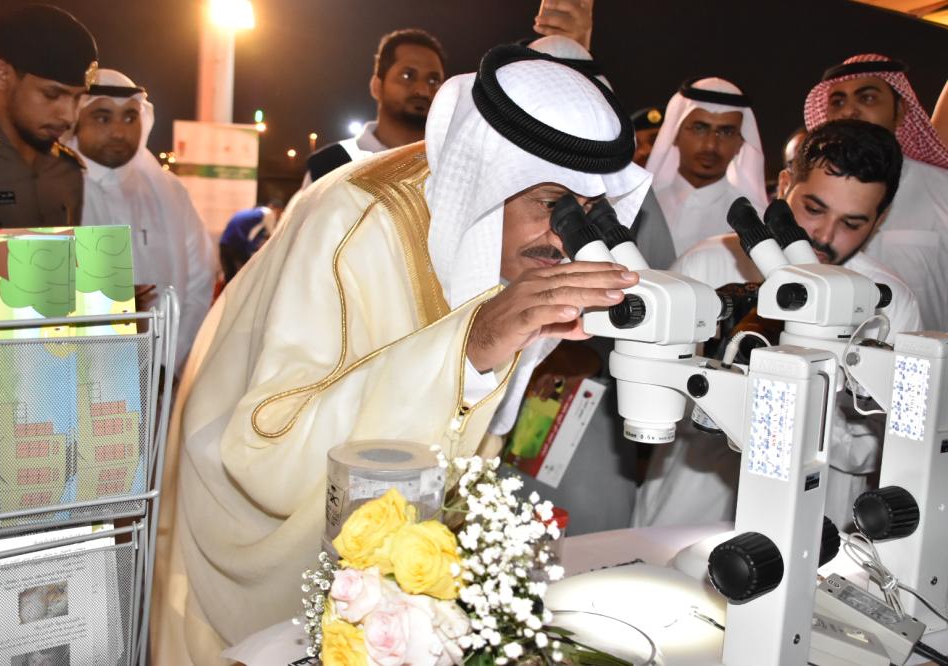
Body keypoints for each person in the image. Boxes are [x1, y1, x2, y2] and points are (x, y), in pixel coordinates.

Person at [151, 41, 651, 663]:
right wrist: (471, 343)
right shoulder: (352, 223)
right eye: (551, 205)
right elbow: (269, 446)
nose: (564, 235)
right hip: (245, 541)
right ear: (490, 179)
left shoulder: (512, 246)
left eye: (587, 213)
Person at [634, 119, 922, 530]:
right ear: (785, 186)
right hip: (688, 511)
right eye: (814, 209)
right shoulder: (707, 265)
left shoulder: (891, 303)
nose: (824, 235)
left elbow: (881, 446)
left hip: (817, 526)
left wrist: (794, 405)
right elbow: (653, 403)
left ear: (879, 220)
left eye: (852, 223)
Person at [68, 69, 216, 369]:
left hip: (163, 372)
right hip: (74, 372)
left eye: (129, 117)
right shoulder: (58, 188)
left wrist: (166, 364)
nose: (119, 132)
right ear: (75, 120)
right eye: (102, 118)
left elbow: (200, 281)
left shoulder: (169, 192)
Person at [804, 53, 948, 332]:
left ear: (901, 110)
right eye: (838, 102)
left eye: (867, 98)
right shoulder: (802, 196)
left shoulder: (942, 189)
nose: (849, 111)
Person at [0, 5, 96, 229]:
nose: (70, 116)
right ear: (2, 75)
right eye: (52, 94)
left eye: (78, 98)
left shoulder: (69, 169)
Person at [302, 29, 446, 185]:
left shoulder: (451, 166)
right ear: (376, 86)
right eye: (407, 76)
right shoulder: (328, 167)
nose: (423, 90)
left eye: (433, 81)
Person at [647, 77, 768, 257]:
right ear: (675, 134)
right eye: (699, 128)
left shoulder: (755, 222)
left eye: (726, 132)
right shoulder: (639, 209)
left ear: (740, 143)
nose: (711, 145)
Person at [219, 199, 285, 283]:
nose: (279, 217)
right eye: (279, 213)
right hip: (238, 245)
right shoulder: (268, 213)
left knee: (229, 275)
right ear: (276, 210)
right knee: (249, 273)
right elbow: (273, 236)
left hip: (224, 243)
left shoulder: (253, 212)